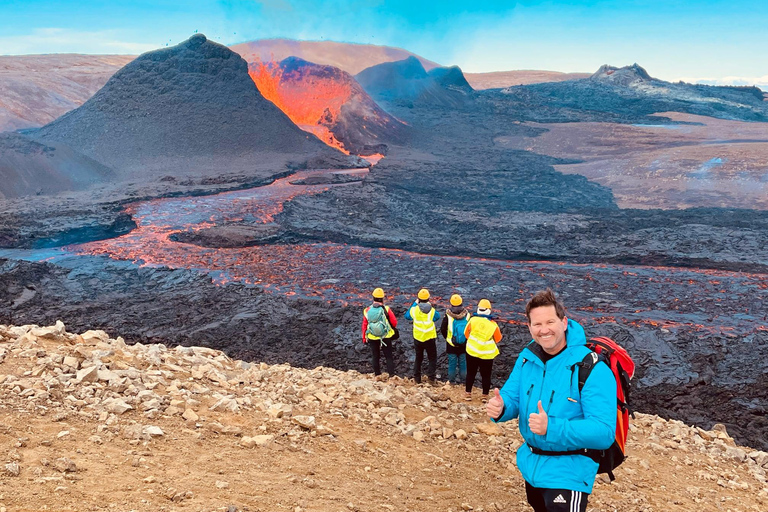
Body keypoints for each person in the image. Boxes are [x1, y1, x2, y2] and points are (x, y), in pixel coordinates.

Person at [486, 289, 616, 512]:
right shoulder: (528, 357)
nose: (544, 330)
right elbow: (512, 396)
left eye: (550, 322)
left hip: (570, 472)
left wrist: (551, 427)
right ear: (529, 327)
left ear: (564, 323)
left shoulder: (591, 367)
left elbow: (604, 432)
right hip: (533, 467)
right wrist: (501, 407)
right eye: (537, 324)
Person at [463, 298, 501, 401]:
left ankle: (468, 394)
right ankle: (484, 396)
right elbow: (498, 339)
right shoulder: (493, 325)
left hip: (472, 351)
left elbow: (466, 334)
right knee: (486, 375)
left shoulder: (472, 320)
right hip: (487, 354)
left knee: (470, 373)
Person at [404, 288, 440, 384]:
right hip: (429, 337)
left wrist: (415, 303)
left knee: (418, 358)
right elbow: (437, 317)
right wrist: (429, 306)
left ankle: (417, 379)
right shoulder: (432, 310)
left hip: (418, 337)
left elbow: (407, 316)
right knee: (432, 358)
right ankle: (431, 379)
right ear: (428, 299)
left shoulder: (414, 310)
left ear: (418, 298)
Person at [362, 287, 398, 377]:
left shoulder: (367, 310)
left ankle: (377, 374)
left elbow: (364, 325)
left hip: (372, 336)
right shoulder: (386, 309)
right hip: (385, 336)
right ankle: (391, 375)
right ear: (382, 298)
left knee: (375, 356)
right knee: (388, 357)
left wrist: (364, 337)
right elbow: (394, 322)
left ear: (373, 297)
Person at [439, 293, 470, 385]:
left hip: (451, 344)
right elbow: (470, 329)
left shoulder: (448, 315)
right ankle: (464, 382)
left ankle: (452, 382)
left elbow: (442, 329)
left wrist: (448, 338)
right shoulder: (467, 315)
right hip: (464, 344)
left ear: (451, 303)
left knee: (452, 364)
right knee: (463, 364)